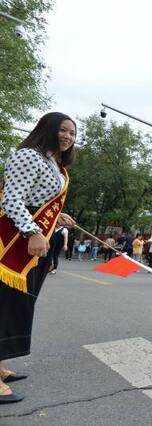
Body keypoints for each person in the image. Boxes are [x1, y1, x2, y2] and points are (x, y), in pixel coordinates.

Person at [0, 112, 77, 404]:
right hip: (15, 243)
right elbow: (12, 199)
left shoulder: (54, 164)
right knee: (6, 305)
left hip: (36, 243)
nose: (68, 136)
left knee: (18, 305)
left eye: (72, 133)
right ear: (47, 129)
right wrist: (33, 231)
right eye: (63, 130)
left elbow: (39, 203)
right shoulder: (29, 156)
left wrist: (58, 219)